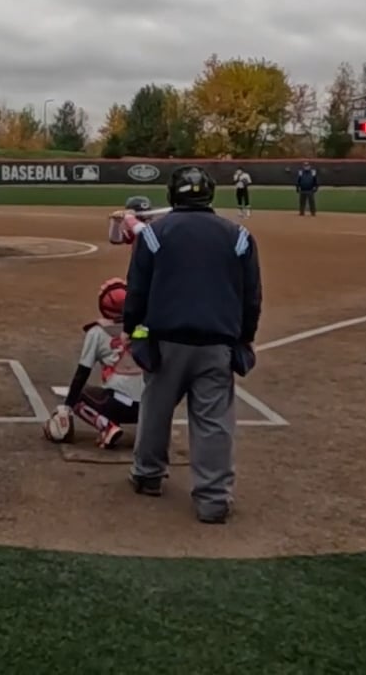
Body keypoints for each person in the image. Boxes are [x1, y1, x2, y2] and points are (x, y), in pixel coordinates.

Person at [121, 166, 262, 524]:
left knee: (156, 408)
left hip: (165, 341)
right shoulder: (239, 236)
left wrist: (132, 330)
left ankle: (148, 475)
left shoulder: (154, 234)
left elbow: (137, 290)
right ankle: (213, 500)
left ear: (172, 195)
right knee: (214, 422)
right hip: (217, 343)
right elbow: (251, 297)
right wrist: (245, 337)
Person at [44, 278, 144, 450]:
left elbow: (82, 373)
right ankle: (153, 431)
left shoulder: (97, 333)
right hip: (149, 407)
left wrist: (67, 407)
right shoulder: (143, 328)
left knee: (79, 394)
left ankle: (107, 427)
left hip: (117, 405)